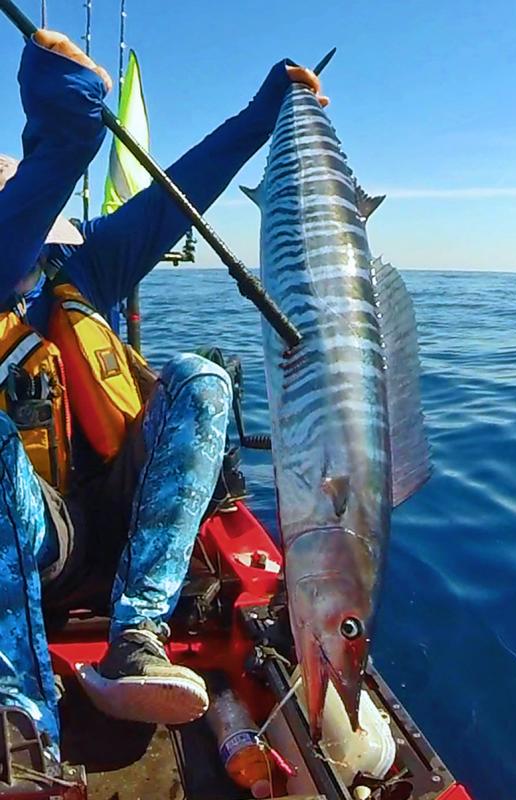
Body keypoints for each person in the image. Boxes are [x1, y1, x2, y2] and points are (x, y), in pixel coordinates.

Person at [0, 29, 327, 769]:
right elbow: (59, 155)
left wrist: (264, 109)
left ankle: (136, 639)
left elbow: (183, 187)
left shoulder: (85, 264)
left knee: (201, 377)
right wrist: (67, 102)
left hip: (118, 523)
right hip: (26, 542)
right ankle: (19, 703)